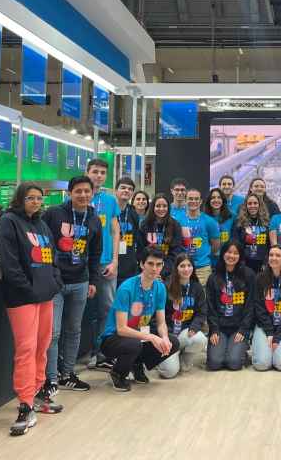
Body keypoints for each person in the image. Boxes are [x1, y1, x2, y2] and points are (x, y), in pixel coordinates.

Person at [0, 183, 64, 435]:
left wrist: (55, 282)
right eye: (30, 198)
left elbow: (52, 256)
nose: (35, 202)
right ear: (20, 199)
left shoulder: (42, 225)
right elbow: (9, 263)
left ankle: (37, 393)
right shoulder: (8, 222)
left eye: (39, 198)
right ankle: (25, 404)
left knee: (42, 346)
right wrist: (27, 288)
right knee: (26, 348)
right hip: (21, 298)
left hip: (45, 295)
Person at [42, 176, 103, 394]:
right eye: (78, 191)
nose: (83, 195)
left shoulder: (94, 219)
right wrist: (49, 274)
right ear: (70, 193)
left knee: (74, 330)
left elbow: (95, 253)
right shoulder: (53, 214)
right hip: (56, 282)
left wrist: (94, 280)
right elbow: (43, 243)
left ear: (92, 193)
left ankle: (68, 373)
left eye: (87, 191)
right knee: (53, 332)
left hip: (81, 281)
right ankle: (50, 379)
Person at [99, 248, 180, 392]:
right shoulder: (127, 288)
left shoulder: (160, 288)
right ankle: (117, 373)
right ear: (142, 264)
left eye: (158, 264)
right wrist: (151, 337)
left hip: (138, 335)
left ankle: (137, 364)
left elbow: (161, 322)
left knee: (173, 342)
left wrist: (165, 337)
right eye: (150, 264)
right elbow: (121, 328)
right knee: (135, 344)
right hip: (113, 338)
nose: (154, 269)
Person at [85, 159, 121, 371]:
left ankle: (102, 353)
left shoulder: (110, 201)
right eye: (95, 172)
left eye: (102, 173)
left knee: (107, 309)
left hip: (106, 263)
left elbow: (115, 231)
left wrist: (115, 260)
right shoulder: (80, 196)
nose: (98, 176)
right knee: (82, 310)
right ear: (87, 172)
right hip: (82, 265)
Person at [206, 243, 255, 371]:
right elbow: (210, 307)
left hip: (238, 327)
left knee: (234, 363)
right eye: (228, 252)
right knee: (214, 363)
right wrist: (214, 329)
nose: (231, 256)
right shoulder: (213, 278)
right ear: (222, 254)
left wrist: (244, 329)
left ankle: (240, 351)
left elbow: (250, 305)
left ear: (240, 256)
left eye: (235, 253)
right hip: (220, 327)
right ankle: (224, 349)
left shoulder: (248, 275)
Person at [158, 253, 207, 378]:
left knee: (200, 339)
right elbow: (158, 314)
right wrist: (164, 335)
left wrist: (194, 327)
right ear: (176, 268)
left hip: (184, 332)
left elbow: (201, 312)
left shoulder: (197, 287)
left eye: (189, 265)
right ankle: (167, 357)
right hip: (168, 335)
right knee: (169, 372)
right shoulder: (166, 286)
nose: (186, 269)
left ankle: (183, 358)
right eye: (182, 266)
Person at [137, 194, 183, 279]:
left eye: (164, 206)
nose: (161, 209)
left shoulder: (175, 225)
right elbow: (141, 251)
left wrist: (162, 272)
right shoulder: (144, 225)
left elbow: (176, 252)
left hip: (168, 272)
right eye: (158, 206)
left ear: (168, 208)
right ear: (153, 208)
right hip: (148, 271)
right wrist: (150, 270)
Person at [179, 189, 220, 285]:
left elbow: (216, 244)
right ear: (185, 201)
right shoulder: (178, 220)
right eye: (190, 199)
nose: (193, 201)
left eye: (196, 199)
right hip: (182, 266)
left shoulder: (209, 221)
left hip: (203, 268)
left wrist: (204, 254)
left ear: (201, 201)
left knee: (203, 297)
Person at [232, 192, 271, 273]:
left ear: (260, 205)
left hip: (262, 264)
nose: (252, 206)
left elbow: (269, 245)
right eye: (249, 203)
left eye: (255, 203)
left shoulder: (267, 222)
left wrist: (266, 262)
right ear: (245, 206)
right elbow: (236, 244)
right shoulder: (238, 222)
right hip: (244, 264)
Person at [114, 178, 141, 288]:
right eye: (123, 188)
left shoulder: (133, 213)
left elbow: (136, 238)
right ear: (116, 191)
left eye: (130, 189)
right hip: (112, 261)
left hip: (129, 264)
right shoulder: (110, 209)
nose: (126, 190)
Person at [204, 187, 235, 264]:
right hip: (209, 259)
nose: (216, 200)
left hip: (228, 258)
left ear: (223, 200)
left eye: (219, 197)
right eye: (213, 198)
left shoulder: (232, 216)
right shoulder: (203, 218)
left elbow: (235, 238)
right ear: (209, 201)